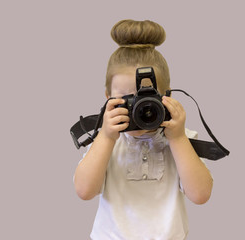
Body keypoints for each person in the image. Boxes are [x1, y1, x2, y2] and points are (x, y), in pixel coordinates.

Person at [73, 19, 213, 240]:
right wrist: (107, 137)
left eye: (147, 99)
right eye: (127, 100)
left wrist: (177, 138)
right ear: (108, 98)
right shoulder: (106, 140)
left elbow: (201, 195)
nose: (139, 109)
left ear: (167, 96)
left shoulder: (181, 139)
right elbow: (84, 191)